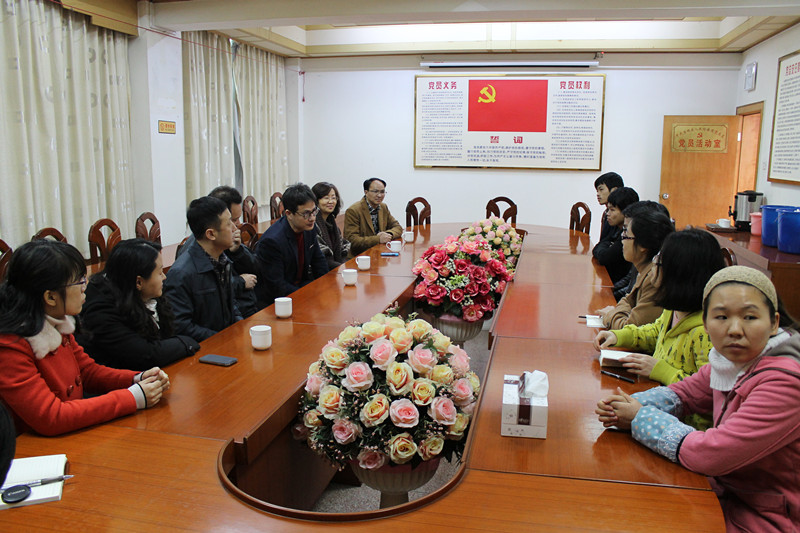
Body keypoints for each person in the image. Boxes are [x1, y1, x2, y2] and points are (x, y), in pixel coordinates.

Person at [596, 266, 800, 531]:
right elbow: (684, 393)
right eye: (721, 316)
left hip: (769, 518)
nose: (734, 329)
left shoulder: (786, 382)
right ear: (705, 323)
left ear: (773, 323)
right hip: (727, 496)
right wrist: (625, 406)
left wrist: (639, 416)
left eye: (749, 317)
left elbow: (713, 453)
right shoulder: (731, 360)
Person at [0, 240, 169, 436]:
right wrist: (132, 397)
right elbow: (51, 417)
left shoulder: (56, 322)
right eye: (79, 281)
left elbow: (87, 371)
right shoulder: (10, 346)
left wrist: (136, 378)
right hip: (32, 447)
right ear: (50, 297)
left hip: (70, 434)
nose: (85, 287)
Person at [593, 228, 725, 387]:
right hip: (654, 391)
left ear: (679, 275)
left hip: (673, 401)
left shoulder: (705, 333)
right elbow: (656, 332)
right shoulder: (674, 310)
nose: (654, 265)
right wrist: (619, 336)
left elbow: (708, 390)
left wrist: (661, 371)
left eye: (659, 261)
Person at [79, 239, 200, 370]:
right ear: (139, 282)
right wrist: (186, 342)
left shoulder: (142, 291)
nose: (164, 277)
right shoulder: (100, 311)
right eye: (159, 273)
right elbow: (145, 355)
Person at [164, 196, 242, 342]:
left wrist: (239, 327)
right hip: (205, 348)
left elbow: (231, 305)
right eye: (228, 223)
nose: (235, 228)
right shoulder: (181, 274)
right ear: (210, 234)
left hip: (226, 342)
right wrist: (222, 339)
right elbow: (181, 326)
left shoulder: (223, 260)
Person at [176, 186, 260, 318]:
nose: (237, 226)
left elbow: (256, 269)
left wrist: (238, 252)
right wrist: (240, 282)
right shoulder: (189, 262)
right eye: (231, 221)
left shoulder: (223, 250)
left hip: (245, 309)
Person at [597, 202, 674, 329]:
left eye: (626, 232)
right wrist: (621, 312)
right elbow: (627, 300)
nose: (622, 240)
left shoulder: (655, 277)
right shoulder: (643, 267)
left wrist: (611, 315)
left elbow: (630, 328)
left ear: (643, 244)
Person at [255, 183, 329, 305]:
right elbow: (277, 286)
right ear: (289, 214)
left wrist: (326, 287)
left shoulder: (309, 228)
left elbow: (318, 261)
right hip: (277, 302)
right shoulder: (272, 242)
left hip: (300, 289)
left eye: (314, 211)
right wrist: (308, 296)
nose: (312, 218)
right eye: (306, 214)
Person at [343, 177, 402, 256]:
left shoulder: (383, 207)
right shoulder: (353, 210)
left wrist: (388, 234)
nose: (379, 195)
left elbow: (398, 227)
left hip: (380, 252)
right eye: (375, 191)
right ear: (366, 192)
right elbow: (352, 240)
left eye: (382, 192)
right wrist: (378, 239)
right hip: (360, 256)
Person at [592, 186, 639, 284]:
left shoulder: (628, 235)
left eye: (612, 210)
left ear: (626, 211)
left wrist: (605, 249)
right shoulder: (616, 228)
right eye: (608, 209)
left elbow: (604, 258)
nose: (607, 214)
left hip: (616, 284)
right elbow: (598, 247)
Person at [312, 182, 351, 269]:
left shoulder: (331, 222)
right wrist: (343, 268)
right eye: (326, 198)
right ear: (316, 200)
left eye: (333, 198)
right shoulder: (312, 224)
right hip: (318, 271)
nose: (331, 201)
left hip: (334, 267)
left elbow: (343, 247)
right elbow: (322, 257)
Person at [594, 172, 624, 243]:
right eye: (597, 191)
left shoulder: (619, 214)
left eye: (601, 189)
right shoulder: (606, 212)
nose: (598, 194)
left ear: (614, 190)